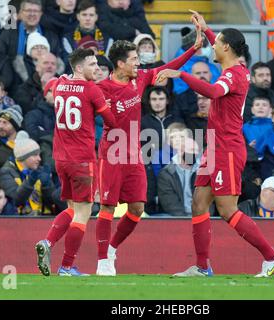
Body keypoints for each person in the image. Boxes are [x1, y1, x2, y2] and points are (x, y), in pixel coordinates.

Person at [156, 11, 274, 278]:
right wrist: (207, 28)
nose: (211, 45)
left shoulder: (232, 76)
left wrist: (180, 75)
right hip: (214, 148)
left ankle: (272, 256)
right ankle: (203, 267)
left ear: (226, 48)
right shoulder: (236, 68)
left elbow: (213, 92)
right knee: (199, 205)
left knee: (227, 210)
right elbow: (223, 49)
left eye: (215, 43)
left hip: (226, 149)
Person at [95, 29, 203, 276]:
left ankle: (111, 248)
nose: (138, 63)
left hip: (134, 156)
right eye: (133, 59)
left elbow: (168, 67)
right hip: (112, 155)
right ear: (121, 63)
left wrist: (193, 49)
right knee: (107, 208)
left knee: (136, 209)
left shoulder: (140, 79)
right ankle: (102, 261)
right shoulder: (103, 88)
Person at [34, 47, 117, 277]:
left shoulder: (60, 83)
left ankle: (48, 243)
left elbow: (49, 86)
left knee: (71, 208)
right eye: (92, 65)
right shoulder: (91, 89)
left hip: (60, 159)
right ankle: (67, 266)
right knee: (83, 212)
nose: (97, 69)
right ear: (79, 67)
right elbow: (111, 120)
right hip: (82, 159)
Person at [0, 131, 57, 216]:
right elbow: (16, 200)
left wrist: (47, 185)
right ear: (24, 157)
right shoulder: (7, 172)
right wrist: (30, 181)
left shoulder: (39, 170)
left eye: (39, 155)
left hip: (43, 218)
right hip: (20, 220)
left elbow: (52, 202)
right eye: (35, 155)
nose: (39, 159)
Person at [157, 135, 201, 216]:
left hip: (199, 216)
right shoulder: (167, 174)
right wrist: (185, 220)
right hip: (176, 218)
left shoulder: (203, 172)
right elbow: (170, 204)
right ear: (180, 151)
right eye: (192, 150)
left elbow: (208, 201)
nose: (195, 153)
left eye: (197, 151)